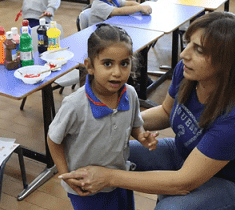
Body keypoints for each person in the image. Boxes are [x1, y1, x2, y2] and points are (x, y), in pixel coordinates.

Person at [60, 12, 235, 210]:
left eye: (199, 50)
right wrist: (117, 124)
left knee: (169, 208)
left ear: (227, 61)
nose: (184, 54)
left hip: (233, 183)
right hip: (185, 154)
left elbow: (182, 182)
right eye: (188, 44)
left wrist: (108, 176)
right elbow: (167, 113)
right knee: (106, 153)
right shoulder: (188, 72)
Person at [47, 23, 159, 210]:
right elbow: (53, 139)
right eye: (107, 64)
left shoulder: (130, 94)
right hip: (85, 187)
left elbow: (134, 124)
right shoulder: (75, 105)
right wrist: (65, 175)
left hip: (120, 178)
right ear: (90, 66)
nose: (117, 72)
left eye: (124, 63)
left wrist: (141, 136)